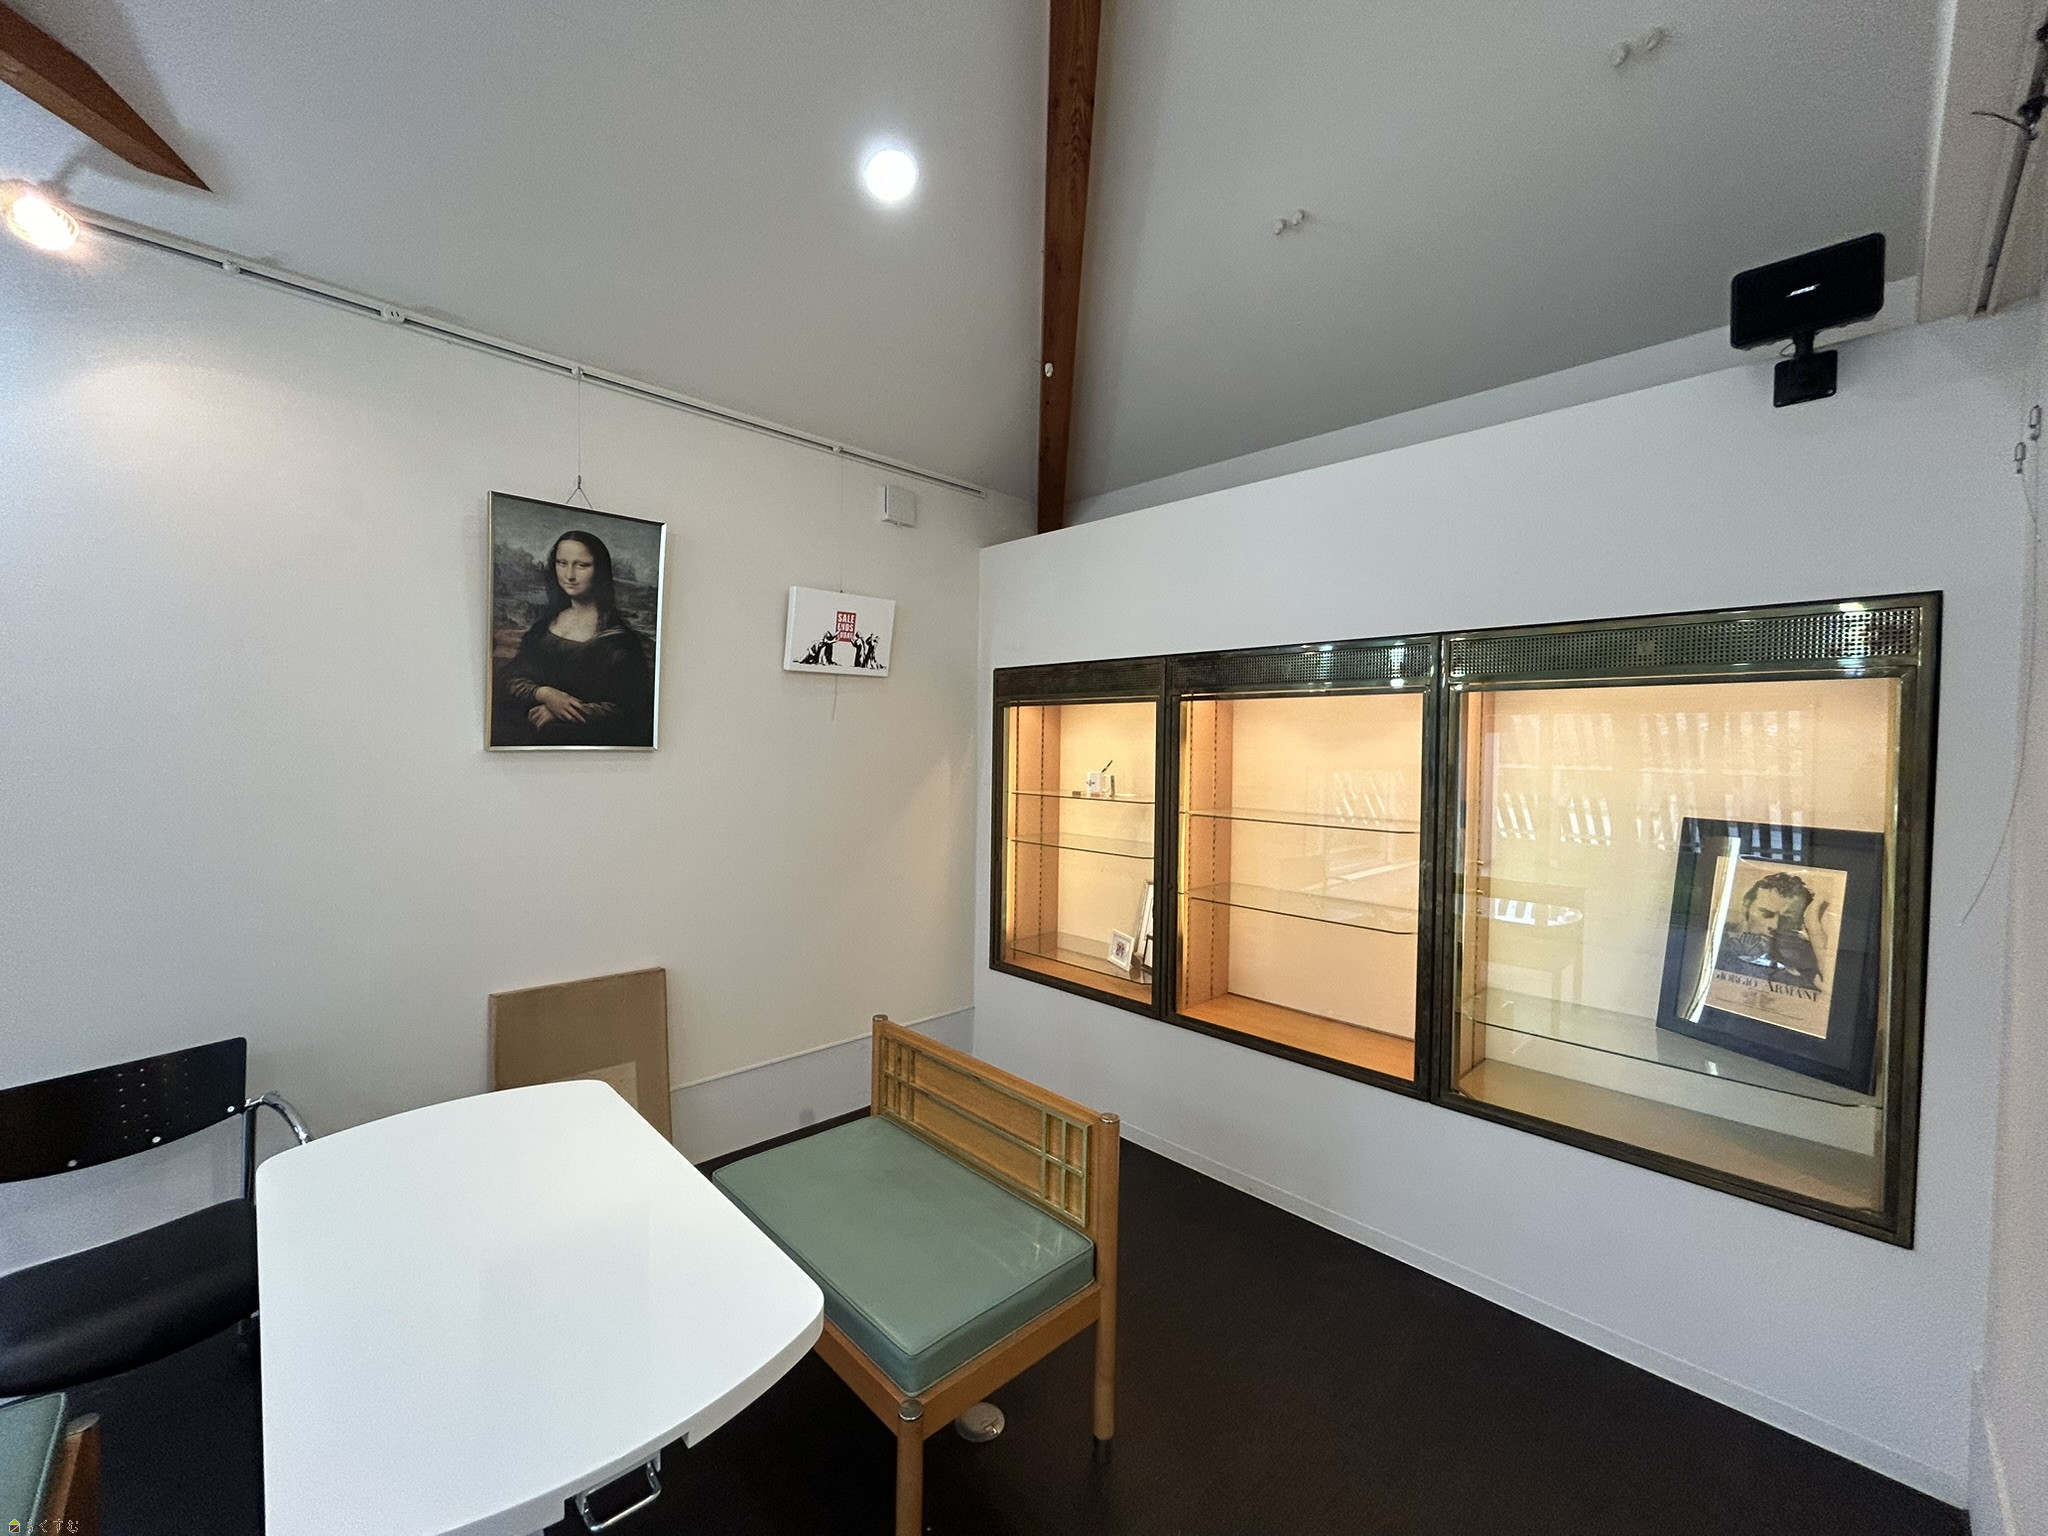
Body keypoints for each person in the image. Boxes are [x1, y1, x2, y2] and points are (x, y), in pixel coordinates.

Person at [496, 530, 654, 746]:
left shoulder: (621, 643)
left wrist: (562, 712)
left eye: (582, 565)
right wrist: (545, 694)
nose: (569, 575)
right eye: (562, 563)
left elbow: (630, 710)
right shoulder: (543, 627)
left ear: (599, 570)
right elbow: (510, 677)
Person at [1715, 870, 1824, 989]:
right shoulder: (1716, 941)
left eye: (1787, 919)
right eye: (1766, 914)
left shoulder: (1809, 962)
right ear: (1746, 907)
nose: (1775, 925)